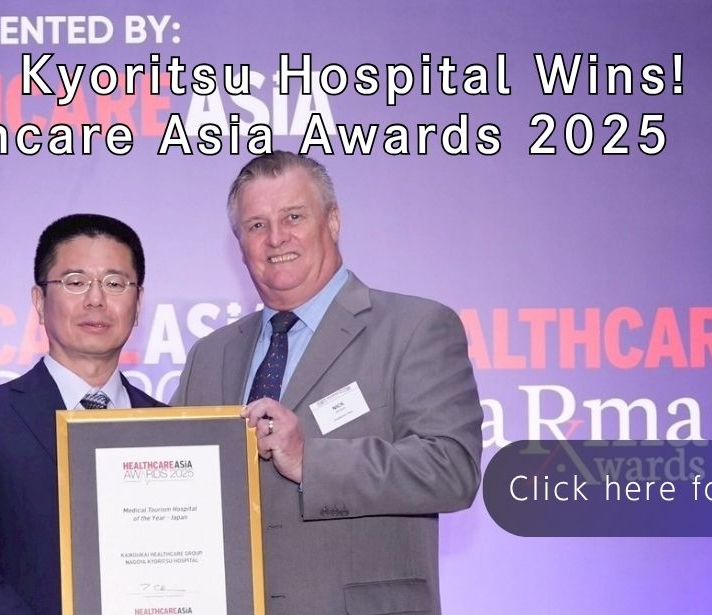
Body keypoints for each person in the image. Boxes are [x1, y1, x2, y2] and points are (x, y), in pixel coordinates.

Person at [172, 152, 483, 615]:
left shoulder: (416, 327)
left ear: (333, 221)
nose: (276, 237)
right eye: (256, 225)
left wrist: (310, 460)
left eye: (293, 217)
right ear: (240, 245)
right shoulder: (210, 354)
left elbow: (452, 469)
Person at [0, 213, 165, 615]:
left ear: (138, 304)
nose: (96, 299)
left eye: (115, 283)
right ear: (39, 301)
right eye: (75, 282)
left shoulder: (172, 426)